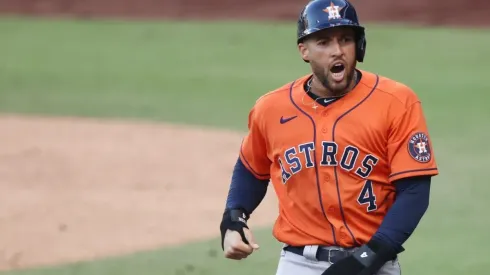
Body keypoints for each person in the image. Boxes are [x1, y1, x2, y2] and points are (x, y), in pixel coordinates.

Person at [219, 0, 439, 274]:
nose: (337, 51)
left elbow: (414, 191)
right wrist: (233, 219)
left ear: (359, 46)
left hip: (374, 261)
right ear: (304, 51)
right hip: (298, 263)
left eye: (345, 40)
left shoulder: (396, 102)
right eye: (323, 42)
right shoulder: (271, 108)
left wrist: (367, 259)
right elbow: (251, 168)